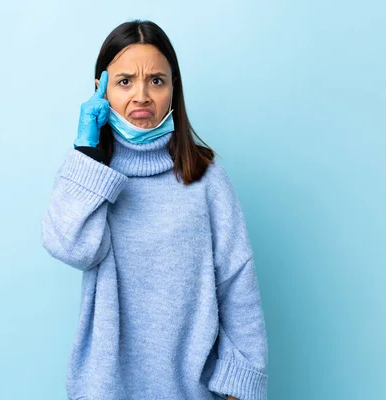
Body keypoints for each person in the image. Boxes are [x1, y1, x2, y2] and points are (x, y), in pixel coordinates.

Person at [41, 19, 268, 400]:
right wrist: (87, 152)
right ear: (101, 90)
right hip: (106, 390)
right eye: (125, 81)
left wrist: (241, 385)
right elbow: (71, 246)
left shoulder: (206, 179)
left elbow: (237, 283)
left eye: (156, 81)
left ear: (173, 90)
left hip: (193, 390)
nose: (142, 95)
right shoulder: (93, 179)